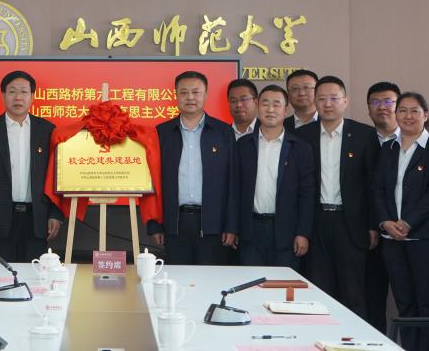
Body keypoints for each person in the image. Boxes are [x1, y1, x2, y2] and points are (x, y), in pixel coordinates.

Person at [294, 75, 379, 317]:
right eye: (321, 99)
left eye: (334, 98)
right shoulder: (303, 136)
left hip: (351, 223)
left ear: (345, 101)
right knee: (319, 291)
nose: (327, 104)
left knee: (354, 292)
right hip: (316, 222)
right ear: (315, 102)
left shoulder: (364, 135)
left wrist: (373, 225)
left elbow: (373, 185)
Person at [373, 92, 429, 351]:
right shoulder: (388, 148)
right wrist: (385, 222)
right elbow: (378, 189)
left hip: (425, 239)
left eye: (414, 110)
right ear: (396, 114)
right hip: (392, 239)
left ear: (425, 115)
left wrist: (408, 222)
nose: (408, 116)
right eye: (403, 110)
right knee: (404, 304)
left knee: (428, 304)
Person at [0, 70, 63, 262]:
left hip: (36, 220)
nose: (18, 97)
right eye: (12, 91)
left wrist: (55, 214)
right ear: (3, 95)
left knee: (34, 275)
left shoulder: (47, 130)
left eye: (23, 92)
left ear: (33, 96)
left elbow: (55, 177)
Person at [147, 71, 238, 266]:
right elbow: (153, 181)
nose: (190, 97)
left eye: (196, 92)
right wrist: (155, 225)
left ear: (206, 95)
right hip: (174, 223)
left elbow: (232, 182)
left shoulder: (223, 132)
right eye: (184, 92)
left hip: (213, 224)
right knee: (177, 278)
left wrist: (231, 226)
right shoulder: (162, 133)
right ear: (176, 95)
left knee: (210, 279)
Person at [234, 85, 314, 270]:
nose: (270, 109)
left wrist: (303, 233)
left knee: (283, 284)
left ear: (286, 109)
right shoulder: (243, 145)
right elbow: (234, 190)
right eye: (265, 103)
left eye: (276, 104)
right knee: (252, 283)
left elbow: (307, 194)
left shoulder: (300, 148)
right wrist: (233, 228)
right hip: (250, 231)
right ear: (257, 106)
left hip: (286, 233)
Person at [364, 81, 401, 334]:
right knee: (372, 298)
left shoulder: (415, 141)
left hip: (409, 233)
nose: (382, 107)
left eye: (388, 102)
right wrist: (375, 223)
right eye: (375, 102)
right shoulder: (362, 139)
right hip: (373, 234)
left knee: (411, 300)